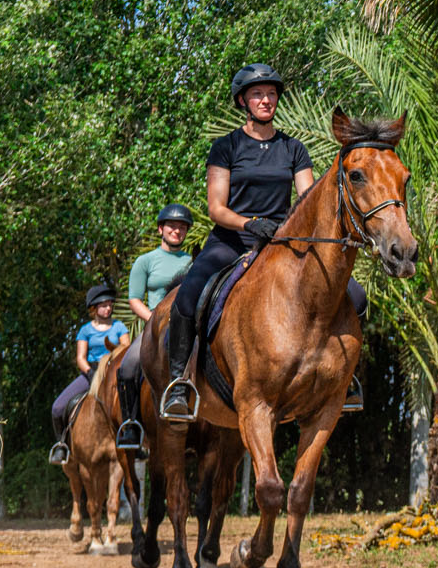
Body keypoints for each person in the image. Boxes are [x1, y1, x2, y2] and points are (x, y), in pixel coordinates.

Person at [159, 63, 314, 423]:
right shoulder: (226, 146)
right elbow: (217, 208)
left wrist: (287, 229)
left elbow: (306, 200)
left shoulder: (294, 149)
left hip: (281, 242)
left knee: (351, 294)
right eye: (258, 94)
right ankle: (180, 383)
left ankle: (340, 378)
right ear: (243, 100)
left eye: (272, 93)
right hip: (231, 240)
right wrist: (251, 223)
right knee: (187, 295)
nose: (266, 100)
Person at [50, 282, 129, 450]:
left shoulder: (119, 327)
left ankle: (135, 439)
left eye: (110, 305)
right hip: (91, 372)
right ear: (94, 308)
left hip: (115, 371)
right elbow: (80, 357)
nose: (108, 308)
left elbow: (125, 349)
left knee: (131, 400)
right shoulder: (85, 331)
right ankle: (62, 445)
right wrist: (91, 373)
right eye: (104, 305)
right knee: (57, 408)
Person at [125, 203, 196, 331]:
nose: (177, 231)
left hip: (187, 324)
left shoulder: (194, 262)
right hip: (155, 325)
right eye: (172, 226)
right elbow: (135, 300)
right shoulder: (144, 261)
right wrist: (154, 320)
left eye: (182, 227)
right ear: (160, 229)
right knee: (134, 351)